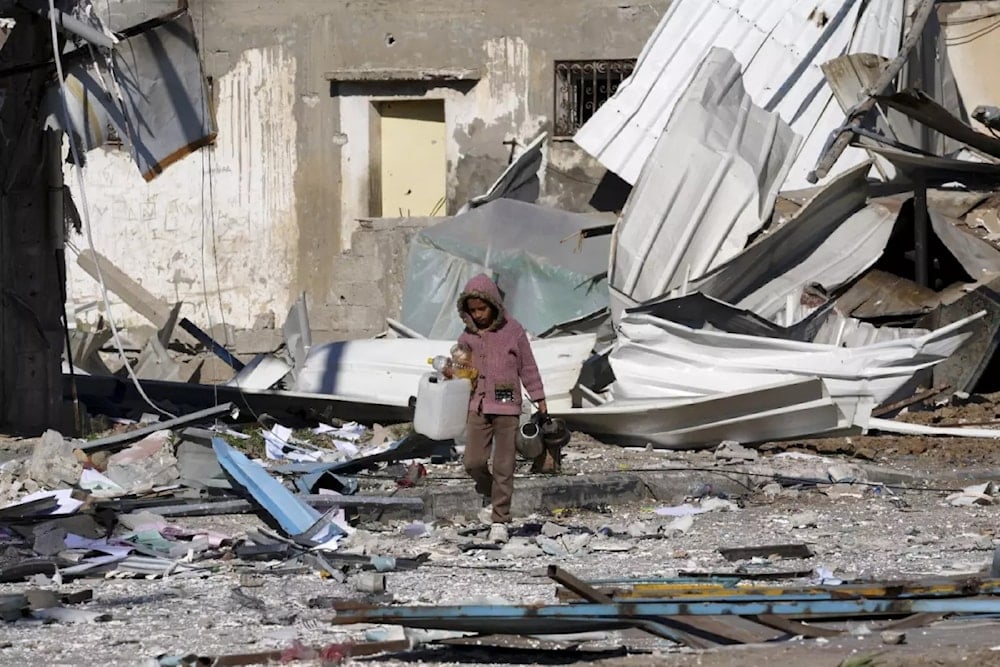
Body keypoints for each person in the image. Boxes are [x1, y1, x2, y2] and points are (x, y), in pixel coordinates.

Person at [456, 273, 546, 544]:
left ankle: (500, 519)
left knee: (504, 465)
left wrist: (539, 396)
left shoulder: (513, 331)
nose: (478, 315)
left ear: (493, 304)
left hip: (507, 404)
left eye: (482, 309)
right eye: (472, 310)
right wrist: (457, 369)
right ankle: (490, 493)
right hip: (478, 404)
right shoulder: (466, 337)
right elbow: (462, 370)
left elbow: (527, 367)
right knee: (473, 461)